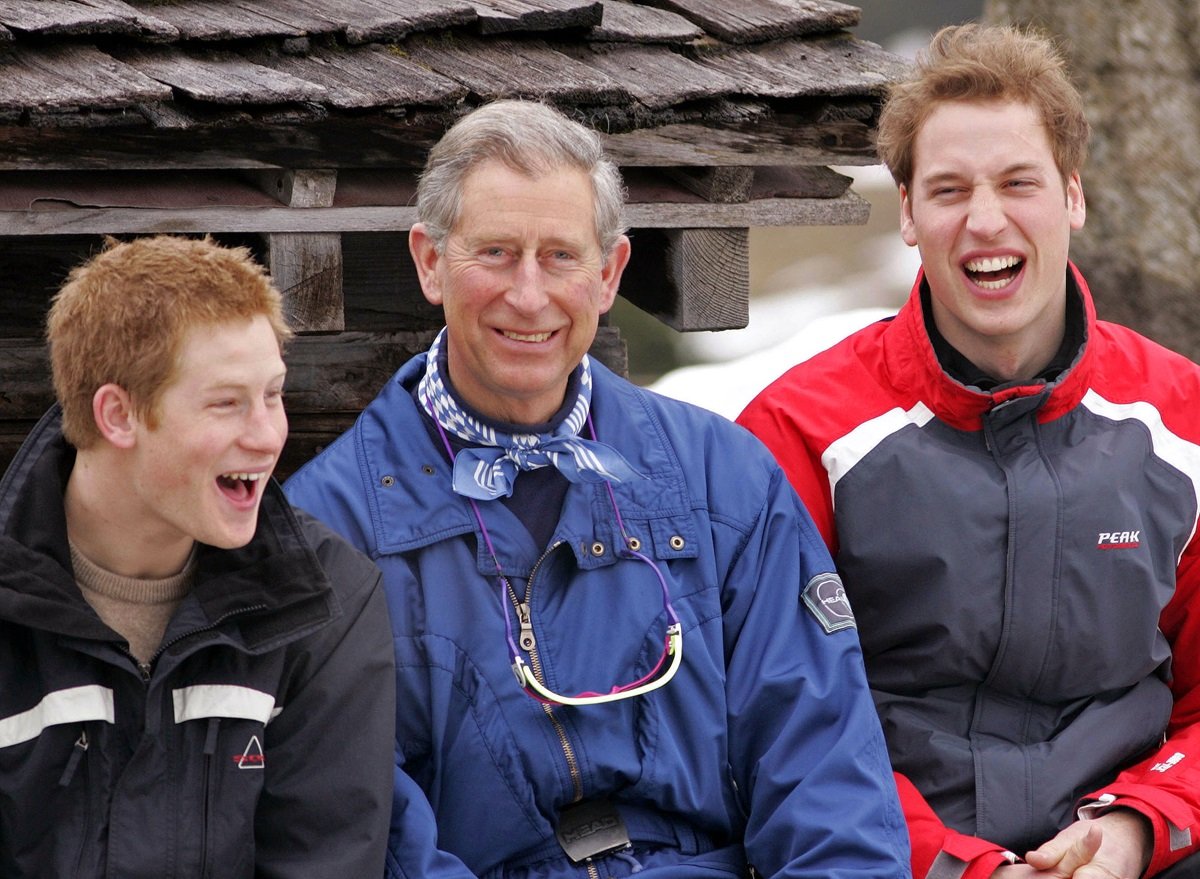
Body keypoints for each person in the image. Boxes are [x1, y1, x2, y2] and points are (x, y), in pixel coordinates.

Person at [283, 99, 910, 879]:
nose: (528, 294)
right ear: (429, 261)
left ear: (610, 273)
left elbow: (827, 771)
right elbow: (362, 823)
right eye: (496, 252)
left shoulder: (727, 479)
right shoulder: (329, 525)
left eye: (560, 256)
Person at [738, 23, 1200, 879]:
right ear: (908, 213)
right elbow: (780, 717)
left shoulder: (1182, 421)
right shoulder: (798, 432)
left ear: (1073, 197)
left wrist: (1136, 832)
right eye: (949, 190)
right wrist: (958, 866)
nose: (986, 220)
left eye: (1019, 183)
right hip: (886, 855)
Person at [0, 235, 395, 878]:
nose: (267, 436)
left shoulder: (329, 603)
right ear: (118, 415)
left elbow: (326, 859)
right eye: (225, 403)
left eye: (273, 394)